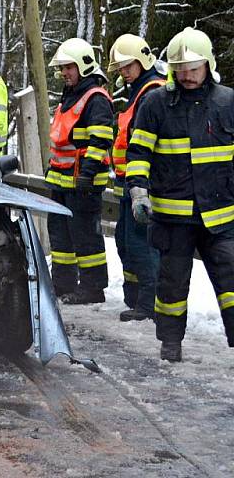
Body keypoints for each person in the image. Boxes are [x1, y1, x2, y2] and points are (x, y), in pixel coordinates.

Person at [126, 27, 234, 362]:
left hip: (221, 213)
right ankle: (170, 342)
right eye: (180, 68)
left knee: (232, 280)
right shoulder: (156, 103)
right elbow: (139, 152)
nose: (186, 75)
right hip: (173, 216)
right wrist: (138, 192)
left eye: (193, 68)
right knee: (172, 285)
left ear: (208, 65)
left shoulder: (228, 102)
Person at [45, 38, 114, 304]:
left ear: (84, 66)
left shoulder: (95, 98)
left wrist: (88, 173)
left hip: (82, 181)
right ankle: (62, 283)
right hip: (62, 178)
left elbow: (101, 140)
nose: (64, 73)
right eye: (62, 68)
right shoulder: (71, 94)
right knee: (61, 234)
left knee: (86, 236)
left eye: (69, 67)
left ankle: (93, 288)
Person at [108, 34, 165, 322]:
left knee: (141, 241)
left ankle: (149, 303)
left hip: (143, 182)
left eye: (127, 66)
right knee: (126, 239)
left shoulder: (152, 92)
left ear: (142, 61)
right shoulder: (141, 90)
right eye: (120, 68)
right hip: (130, 180)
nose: (123, 72)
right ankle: (137, 298)